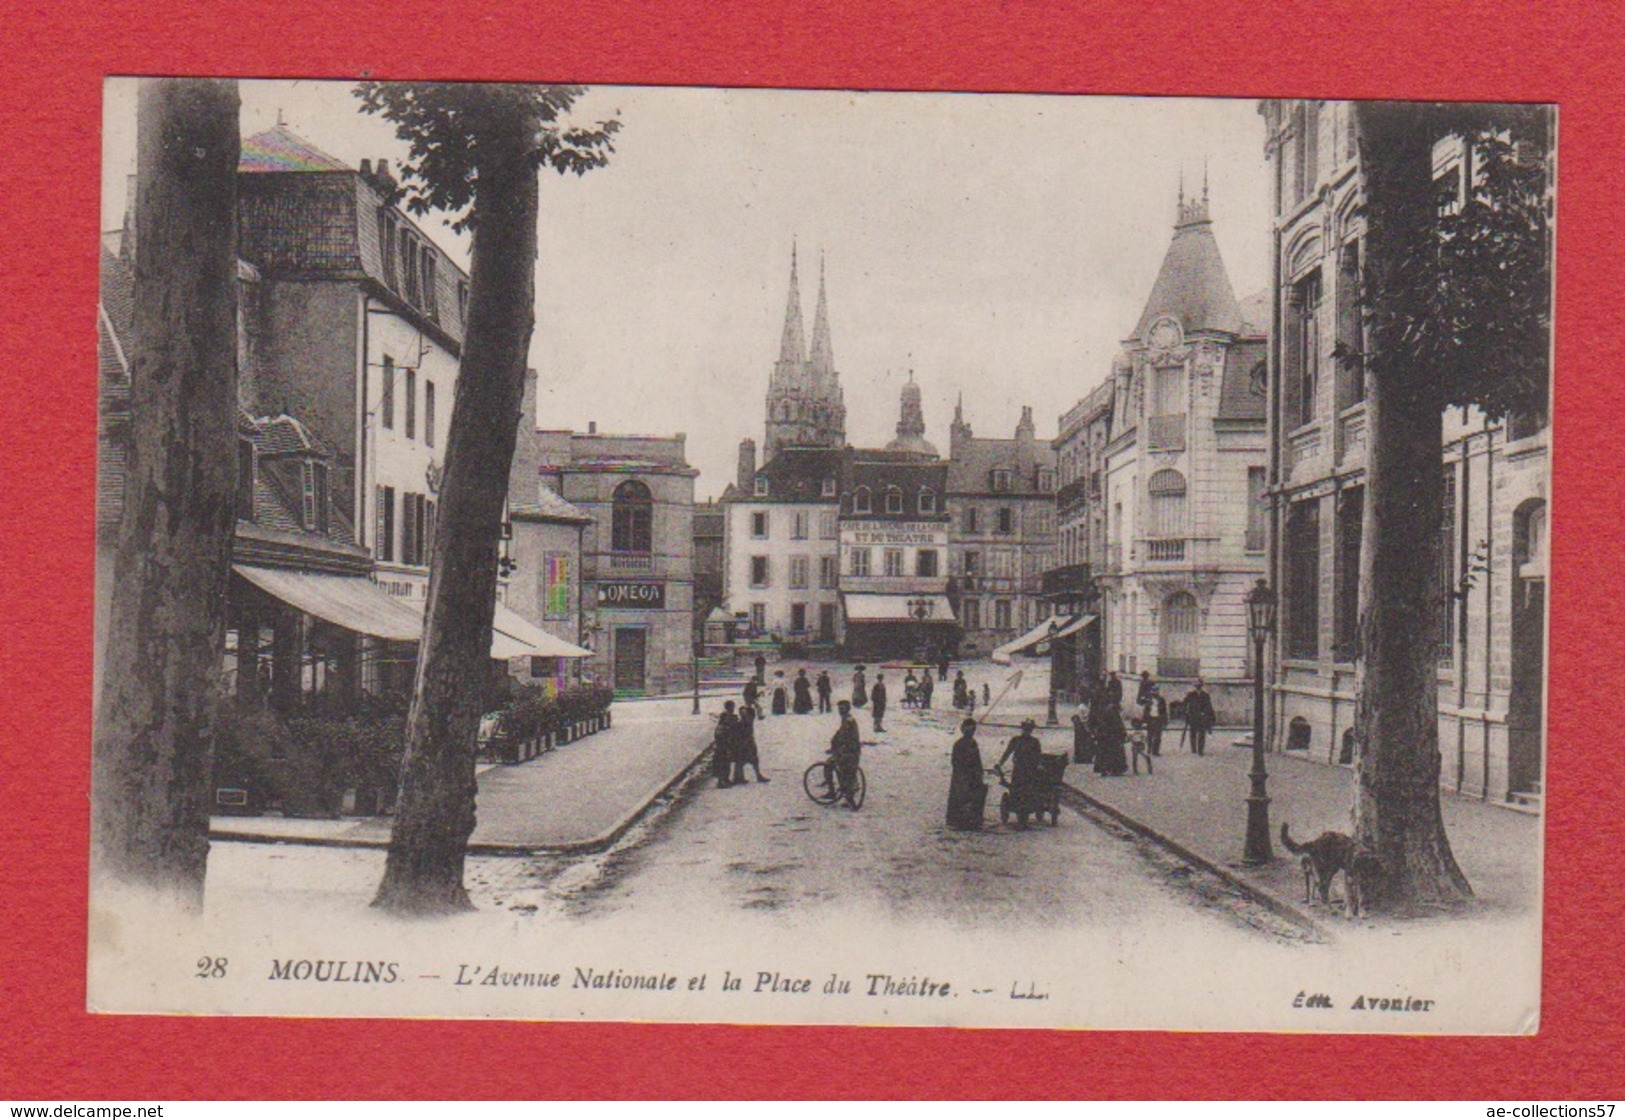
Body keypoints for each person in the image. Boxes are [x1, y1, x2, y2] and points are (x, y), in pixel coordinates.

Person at [997, 719, 1045, 829]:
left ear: (1032, 730)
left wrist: (1040, 765)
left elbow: (1039, 756)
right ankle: (1018, 810)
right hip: (1018, 771)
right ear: (1022, 728)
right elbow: (1008, 752)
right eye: (1025, 728)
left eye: (1029, 729)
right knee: (1016, 791)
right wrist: (1000, 763)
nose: (1027, 731)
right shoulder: (1016, 740)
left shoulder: (1035, 742)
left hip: (1030, 771)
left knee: (1028, 791)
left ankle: (1024, 814)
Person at [946, 718, 987, 831]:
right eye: (968, 730)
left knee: (974, 796)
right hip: (962, 776)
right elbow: (955, 761)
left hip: (972, 775)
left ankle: (972, 819)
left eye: (972, 730)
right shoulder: (959, 744)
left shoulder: (973, 743)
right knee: (961, 796)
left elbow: (977, 759)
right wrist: (965, 772)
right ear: (963, 730)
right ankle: (959, 820)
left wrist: (979, 771)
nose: (970, 733)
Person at [825, 700, 863, 809]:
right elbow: (839, 735)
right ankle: (845, 793)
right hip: (849, 751)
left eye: (842, 708)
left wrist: (835, 748)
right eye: (839, 708)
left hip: (849, 753)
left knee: (831, 766)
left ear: (847, 709)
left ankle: (836, 793)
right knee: (844, 772)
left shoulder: (848, 721)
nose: (840, 711)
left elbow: (844, 737)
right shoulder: (847, 719)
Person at [733, 705, 769, 783]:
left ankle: (741, 777)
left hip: (747, 742)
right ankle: (740, 777)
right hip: (744, 742)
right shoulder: (742, 722)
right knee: (742, 760)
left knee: (750, 759)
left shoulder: (745, 721)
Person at [1182, 678, 1216, 756]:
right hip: (1193, 717)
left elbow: (1209, 706)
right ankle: (1193, 749)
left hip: (1202, 717)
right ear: (1195, 686)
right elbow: (1184, 704)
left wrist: (1210, 716)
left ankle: (1200, 750)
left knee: (1202, 734)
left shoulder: (1205, 695)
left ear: (1201, 686)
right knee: (1193, 733)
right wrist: (1186, 713)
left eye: (1199, 685)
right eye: (1197, 685)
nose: (1198, 686)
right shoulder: (1190, 695)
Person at [1092, 703, 1128, 776]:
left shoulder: (1102, 713)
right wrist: (1123, 734)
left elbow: (1098, 725)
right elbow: (1119, 726)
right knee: (1115, 754)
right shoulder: (1114, 714)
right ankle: (1115, 770)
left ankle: (1104, 770)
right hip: (1113, 737)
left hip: (1104, 736)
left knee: (1103, 754)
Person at [712, 701, 740, 788]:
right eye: (731, 707)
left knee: (727, 763)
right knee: (723, 763)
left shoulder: (730, 717)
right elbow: (721, 732)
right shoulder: (726, 718)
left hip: (727, 744)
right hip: (723, 745)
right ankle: (721, 781)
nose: (732, 709)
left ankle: (726, 779)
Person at [1141, 684, 1168, 757]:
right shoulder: (1148, 700)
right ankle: (1149, 748)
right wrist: (1144, 721)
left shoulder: (1161, 700)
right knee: (1150, 735)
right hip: (1150, 719)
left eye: (1156, 691)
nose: (1155, 693)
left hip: (1158, 719)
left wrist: (1165, 721)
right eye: (1153, 691)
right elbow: (1145, 711)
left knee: (1158, 736)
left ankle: (1155, 751)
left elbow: (1164, 711)